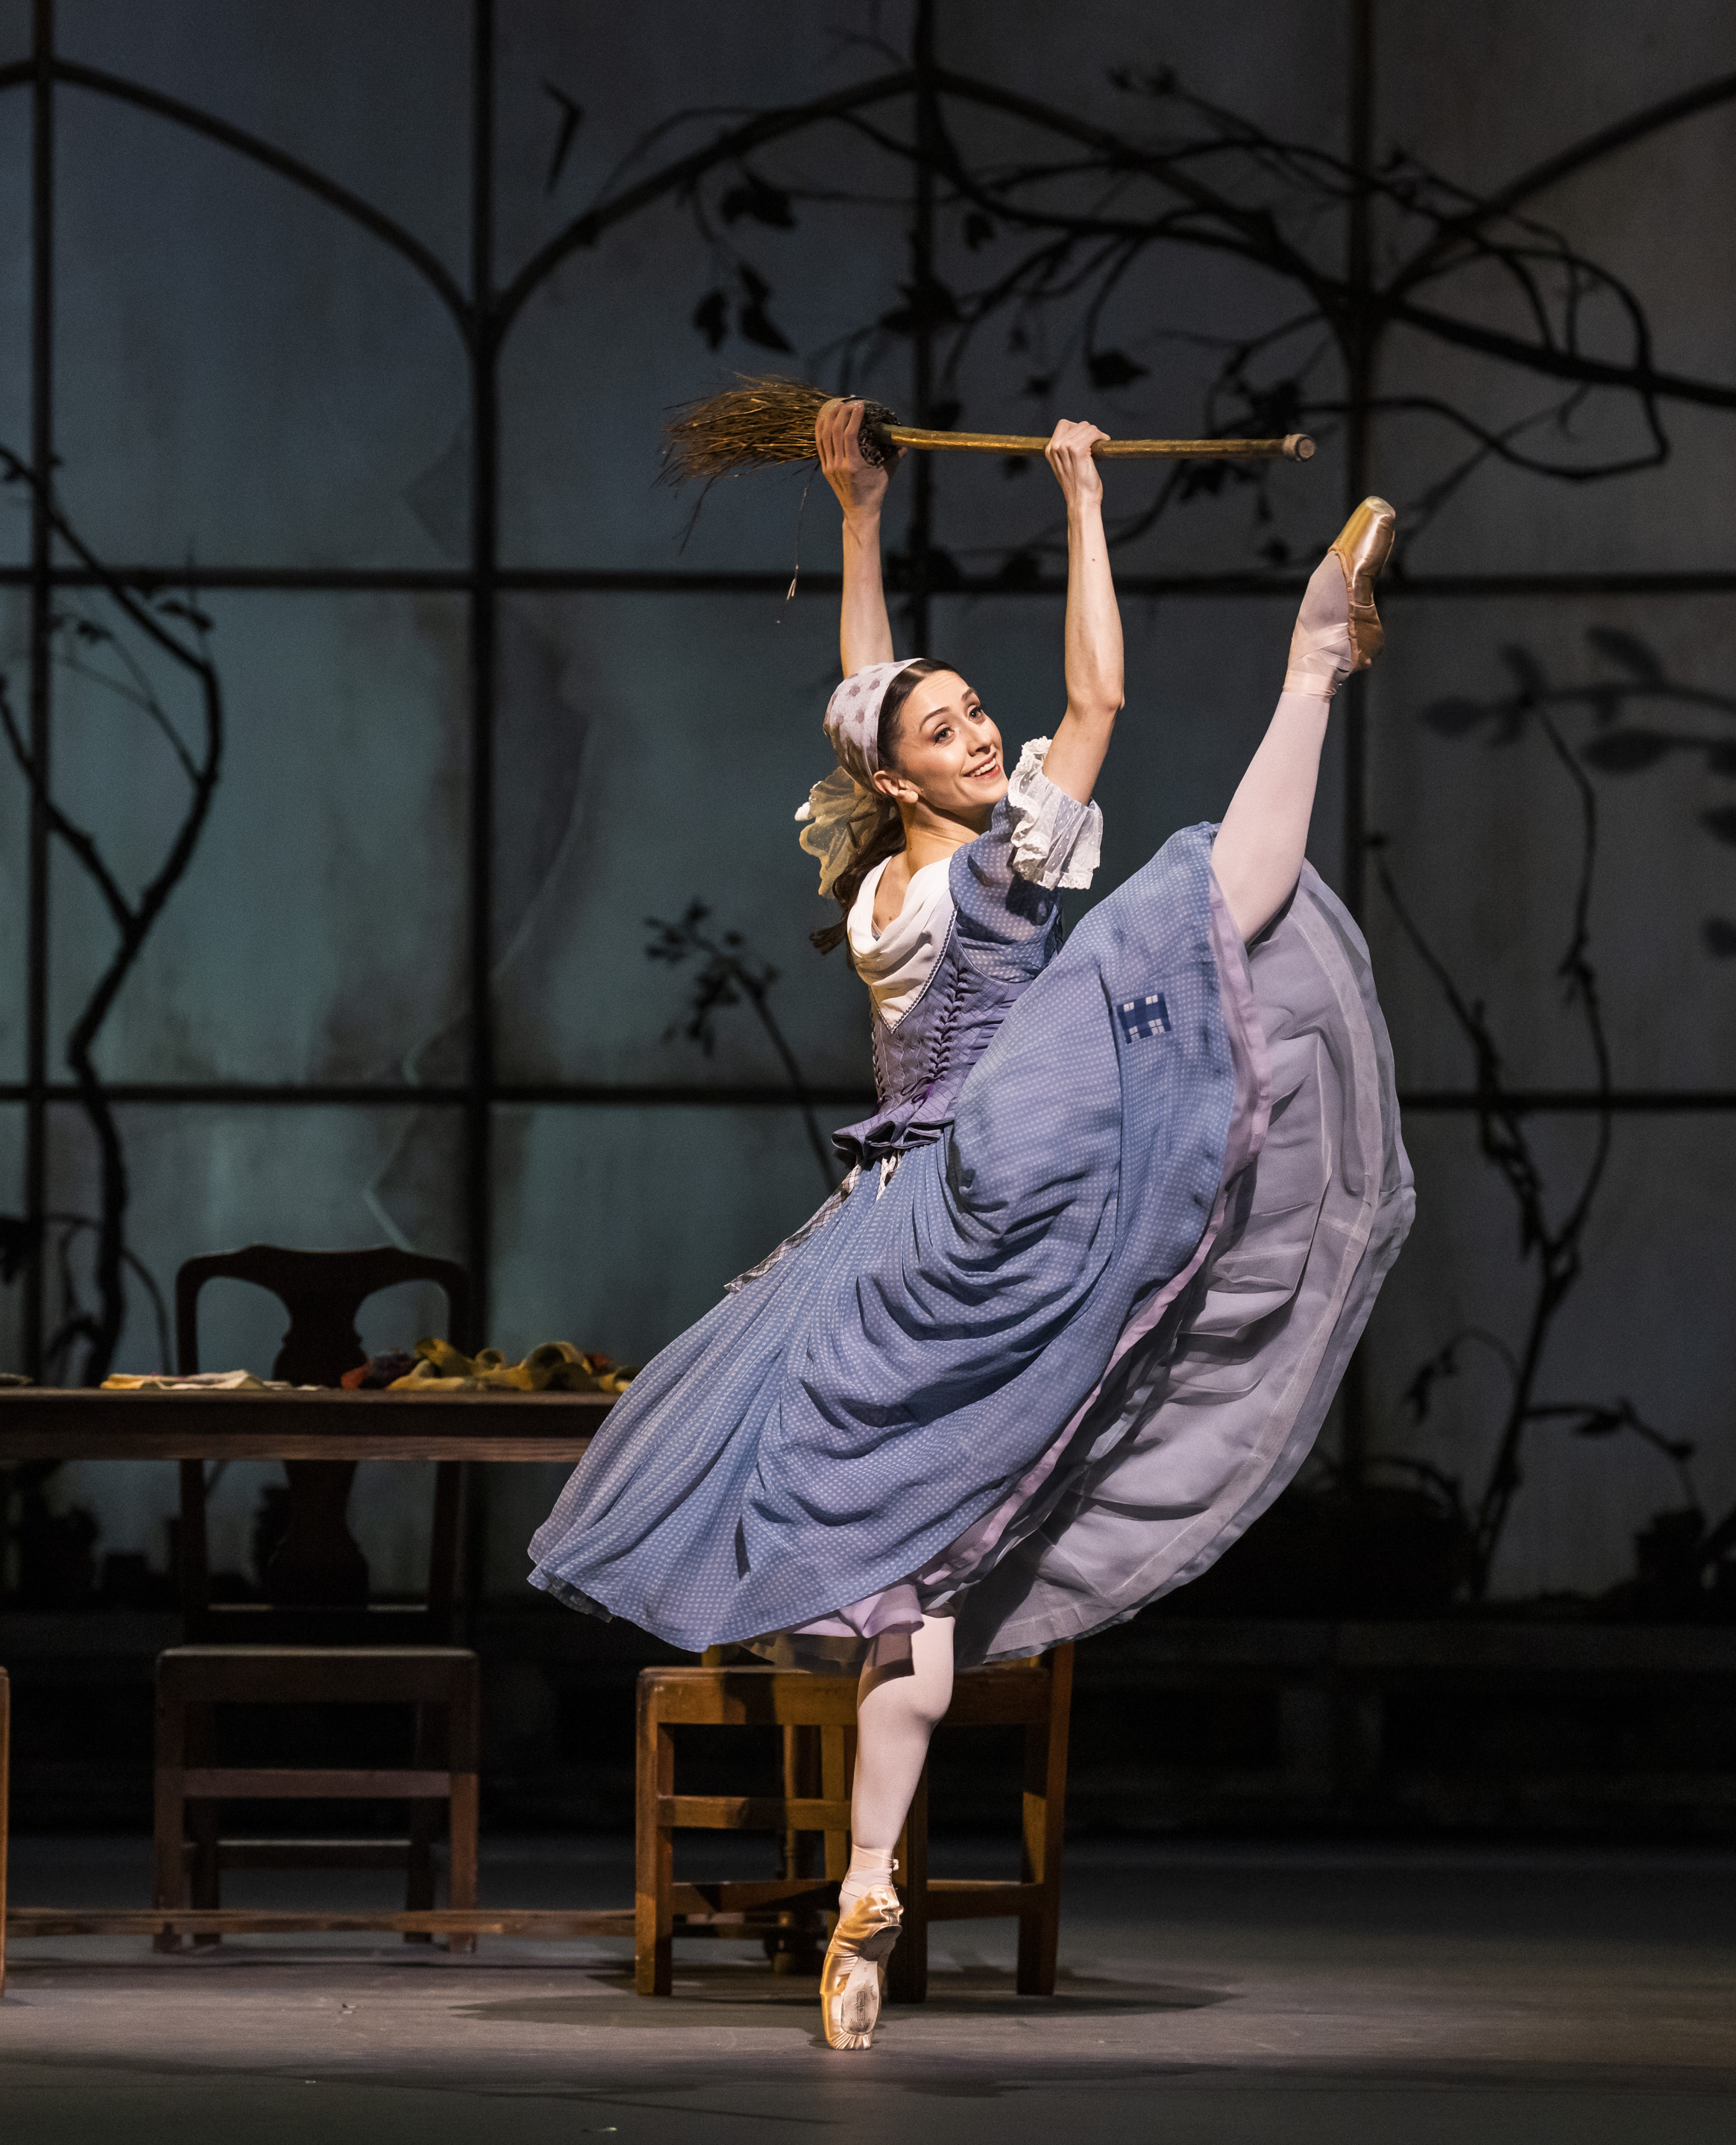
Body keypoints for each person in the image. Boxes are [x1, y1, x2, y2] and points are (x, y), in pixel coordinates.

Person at [529, 399, 1415, 2050]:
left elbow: (863, 706)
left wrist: (858, 511)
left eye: (974, 716)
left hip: (884, 1237)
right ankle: (1309, 673)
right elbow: (1099, 695)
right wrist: (1081, 493)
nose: (985, 735)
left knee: (900, 1571)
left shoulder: (870, 883)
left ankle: (864, 1904)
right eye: (952, 733)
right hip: (1000, 1171)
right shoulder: (995, 873)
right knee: (1199, 900)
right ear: (901, 772)